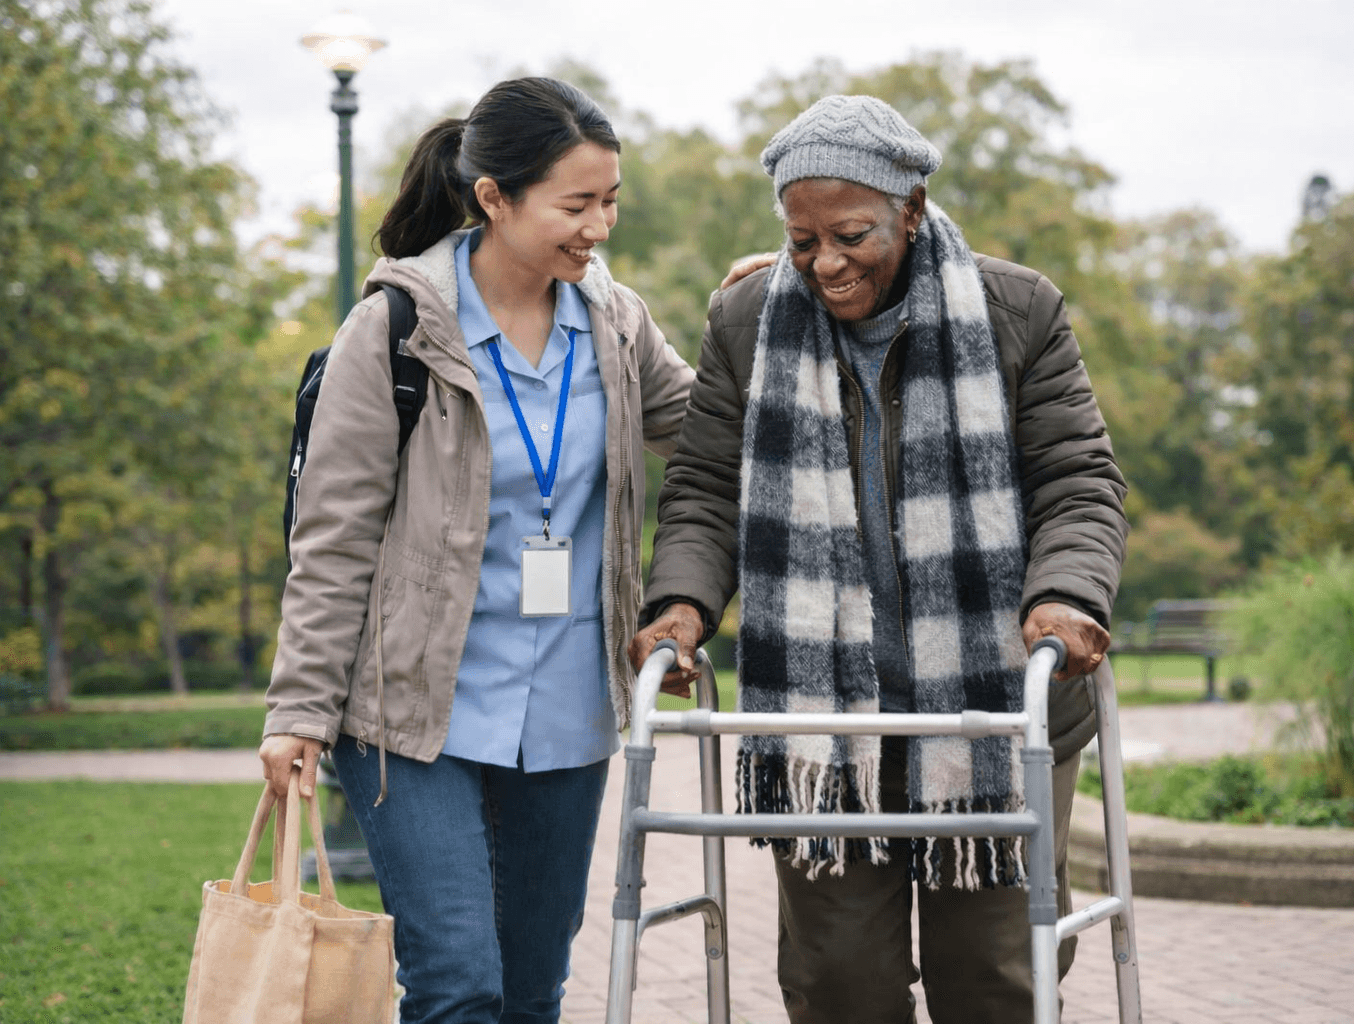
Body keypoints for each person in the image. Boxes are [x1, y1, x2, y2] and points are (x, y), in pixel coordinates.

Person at [629, 94, 1128, 1024]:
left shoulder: (1018, 309)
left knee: (996, 980)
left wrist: (1064, 593)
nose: (825, 262)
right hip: (827, 724)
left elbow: (1077, 481)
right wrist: (682, 604)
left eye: (851, 233)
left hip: (991, 711)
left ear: (911, 205)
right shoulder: (747, 320)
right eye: (802, 238)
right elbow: (704, 489)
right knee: (836, 987)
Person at [259, 77, 694, 1024]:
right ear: (494, 197)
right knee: (458, 984)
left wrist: (766, 312)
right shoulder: (396, 331)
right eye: (576, 205)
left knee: (534, 993)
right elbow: (331, 539)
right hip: (417, 714)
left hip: (571, 712)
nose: (601, 227)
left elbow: (709, 431)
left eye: (610, 200)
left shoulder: (616, 326)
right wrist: (296, 709)